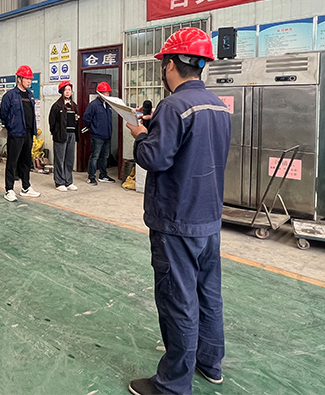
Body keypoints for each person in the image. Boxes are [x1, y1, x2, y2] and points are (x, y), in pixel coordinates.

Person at [125, 27, 231, 395]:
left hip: (176, 220)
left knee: (178, 300)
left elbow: (155, 158)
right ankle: (210, 363)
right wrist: (156, 128)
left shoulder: (173, 106)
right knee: (208, 294)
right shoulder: (218, 105)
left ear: (170, 65)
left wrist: (141, 136)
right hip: (208, 219)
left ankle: (172, 384)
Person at [0, 65, 41, 202]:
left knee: (26, 161)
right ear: (19, 79)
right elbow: (3, 114)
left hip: (28, 133)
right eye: (27, 79)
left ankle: (26, 187)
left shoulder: (30, 95)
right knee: (12, 161)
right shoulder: (10, 95)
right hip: (16, 133)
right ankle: (9, 190)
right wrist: (11, 127)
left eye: (30, 79)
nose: (29, 81)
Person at [83, 81, 115, 186]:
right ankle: (91, 176)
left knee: (104, 156)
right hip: (97, 136)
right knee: (95, 156)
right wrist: (93, 128)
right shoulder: (93, 105)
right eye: (105, 93)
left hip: (107, 135)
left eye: (108, 92)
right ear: (99, 93)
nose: (107, 94)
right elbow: (86, 118)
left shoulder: (108, 105)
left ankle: (103, 175)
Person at [48, 81, 79, 192]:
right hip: (60, 135)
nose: (67, 92)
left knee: (69, 159)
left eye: (69, 90)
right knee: (59, 159)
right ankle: (59, 182)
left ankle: (68, 181)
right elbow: (51, 121)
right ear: (61, 91)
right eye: (65, 90)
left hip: (72, 134)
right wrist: (55, 132)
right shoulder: (57, 106)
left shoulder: (74, 105)